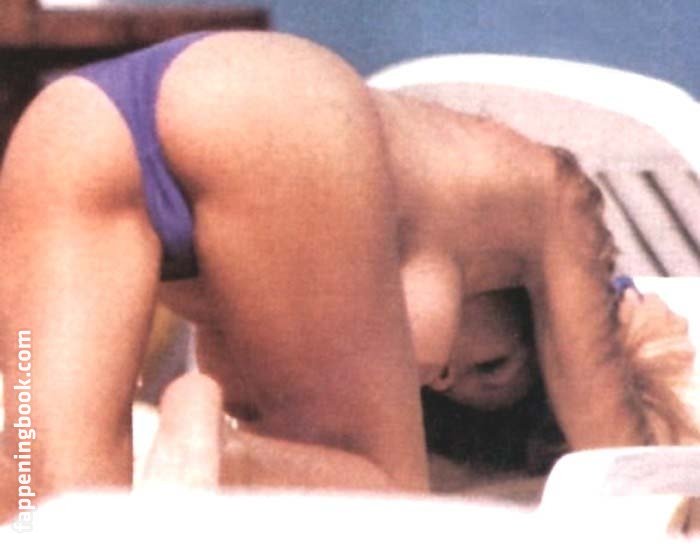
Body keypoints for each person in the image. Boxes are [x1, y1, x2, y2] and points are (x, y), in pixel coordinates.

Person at [0, 30, 686, 511]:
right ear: (533, 322)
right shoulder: (559, 201)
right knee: (386, 507)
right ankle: (224, 455)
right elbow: (619, 459)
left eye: (445, 389)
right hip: (270, 110)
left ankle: (181, 449)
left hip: (76, 119)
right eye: (494, 365)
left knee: (46, 498)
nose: (442, 377)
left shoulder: (382, 207)